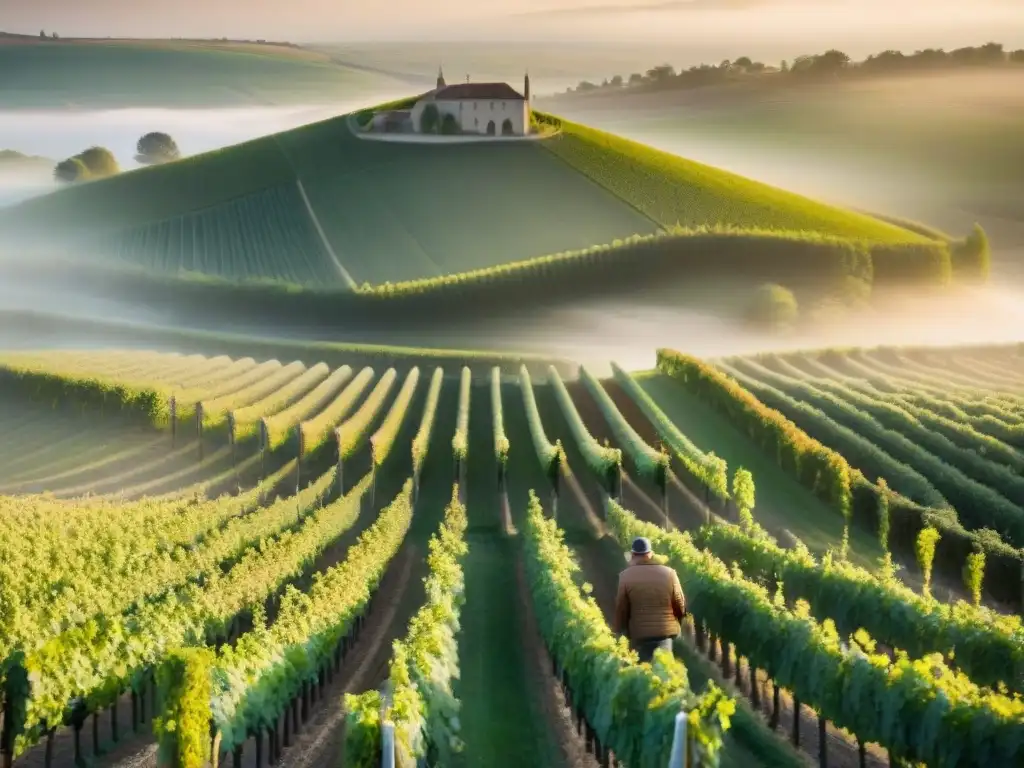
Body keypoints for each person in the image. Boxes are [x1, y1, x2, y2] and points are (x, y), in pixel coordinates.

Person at [612, 536, 686, 662]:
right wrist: (678, 623)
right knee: (664, 669)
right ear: (650, 554)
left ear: (633, 555)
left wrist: (619, 631)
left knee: (644, 670)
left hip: (639, 635)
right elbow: (679, 602)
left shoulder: (626, 576)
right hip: (665, 633)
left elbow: (621, 608)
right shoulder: (669, 573)